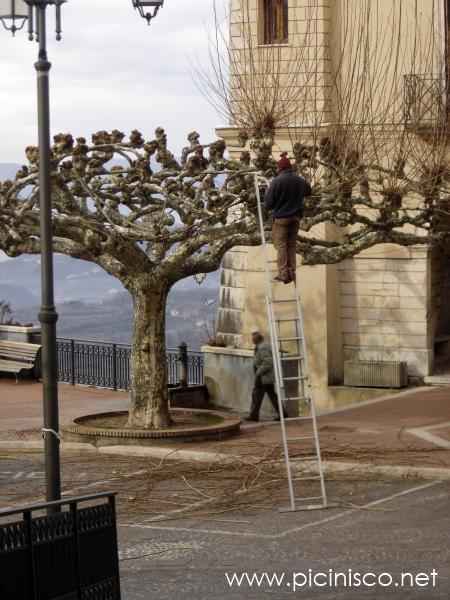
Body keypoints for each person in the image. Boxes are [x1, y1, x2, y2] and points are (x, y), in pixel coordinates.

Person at [264, 152, 312, 284]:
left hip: (281, 219)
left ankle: (284, 273)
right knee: (291, 245)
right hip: (296, 218)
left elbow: (268, 204)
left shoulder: (276, 182)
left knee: (281, 246)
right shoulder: (299, 180)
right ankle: (292, 272)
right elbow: (309, 191)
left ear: (280, 169)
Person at [246, 330, 287, 422]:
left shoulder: (262, 347)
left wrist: (258, 372)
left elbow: (268, 363)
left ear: (256, 339)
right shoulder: (262, 346)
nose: (252, 340)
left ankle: (253, 416)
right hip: (265, 377)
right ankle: (283, 414)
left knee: (256, 395)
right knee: (271, 395)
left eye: (253, 338)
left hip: (263, 377)